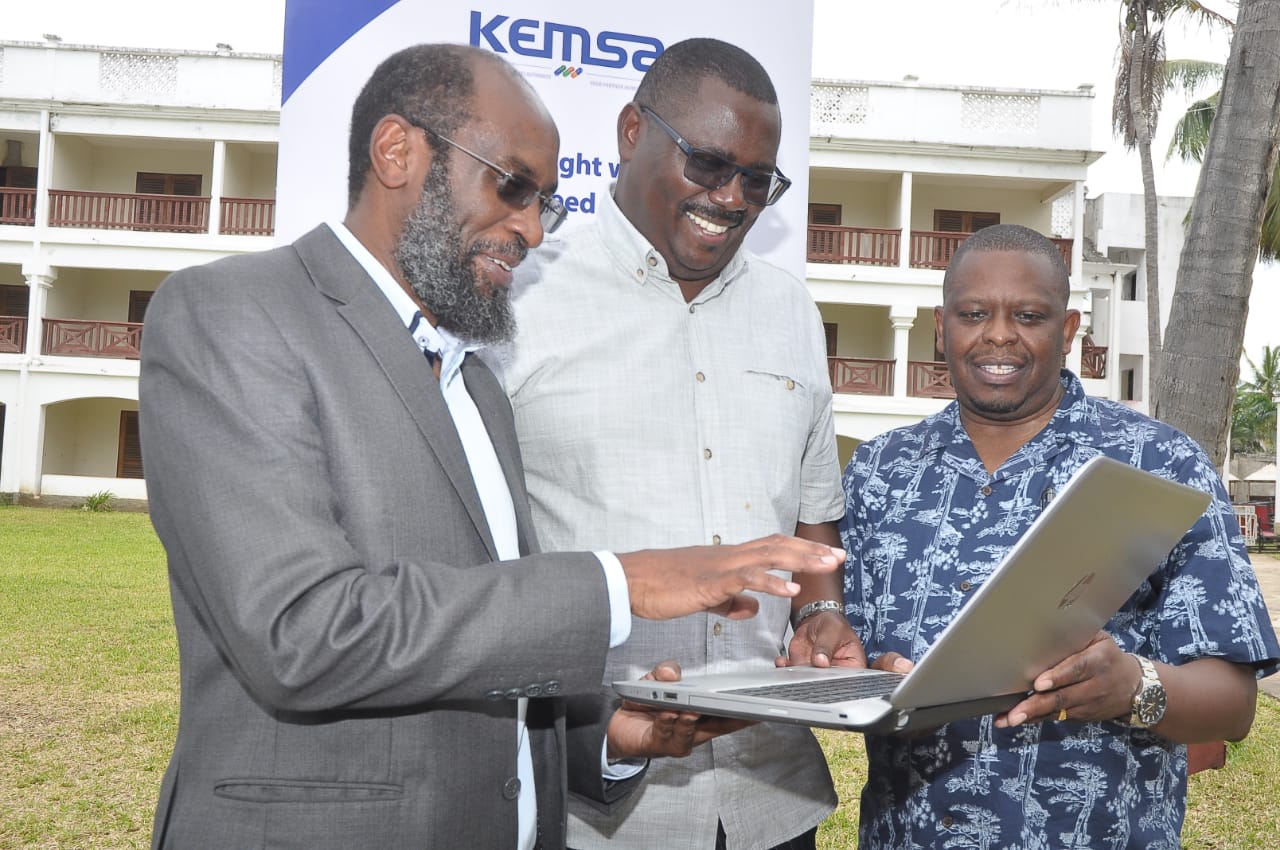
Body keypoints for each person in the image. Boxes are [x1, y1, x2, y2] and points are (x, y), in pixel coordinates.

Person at [138, 43, 848, 850]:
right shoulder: (231, 314)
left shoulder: (469, 372)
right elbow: (302, 631)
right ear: (397, 151)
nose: (533, 229)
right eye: (512, 187)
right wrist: (626, 583)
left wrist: (608, 737)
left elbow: (483, 629)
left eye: (545, 200)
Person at [494, 38, 862, 850]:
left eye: (757, 181)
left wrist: (824, 615)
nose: (730, 198)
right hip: (596, 805)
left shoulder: (791, 311)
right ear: (632, 131)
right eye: (706, 164)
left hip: (771, 796)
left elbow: (813, 521)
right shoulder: (517, 299)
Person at [839, 223, 1280, 848]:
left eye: (1028, 315)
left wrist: (1133, 687)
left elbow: (1234, 704)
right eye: (973, 313)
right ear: (941, 327)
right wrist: (880, 683)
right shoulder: (881, 471)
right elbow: (846, 655)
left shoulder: (1155, 463)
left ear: (1068, 331)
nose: (998, 335)